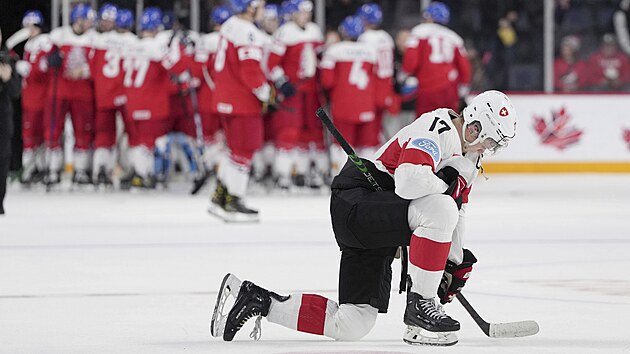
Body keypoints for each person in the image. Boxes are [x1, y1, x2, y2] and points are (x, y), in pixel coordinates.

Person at [211, 90, 517, 346]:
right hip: (358, 201)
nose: (489, 150)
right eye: (490, 141)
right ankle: (420, 306)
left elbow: (458, 210)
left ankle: (253, 298)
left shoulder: (470, 157)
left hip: (382, 215)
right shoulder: (438, 127)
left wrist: (451, 261)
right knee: (440, 208)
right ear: (474, 126)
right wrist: (444, 185)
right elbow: (411, 183)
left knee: (353, 323)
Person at [207, 0, 272, 222]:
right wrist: (266, 93)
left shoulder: (230, 25)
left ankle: (220, 198)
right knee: (244, 151)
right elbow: (250, 71)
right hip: (241, 100)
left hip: (225, 96)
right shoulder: (248, 31)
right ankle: (233, 200)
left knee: (234, 150)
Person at [119, 7, 190, 189]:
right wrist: (180, 49)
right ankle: (144, 175)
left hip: (132, 99)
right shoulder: (156, 46)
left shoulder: (133, 44)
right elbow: (176, 68)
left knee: (136, 140)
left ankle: (137, 172)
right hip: (150, 100)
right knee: (150, 141)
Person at [266, 0, 326, 190]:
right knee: (289, 130)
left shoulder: (314, 30)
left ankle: (307, 170)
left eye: (308, 12)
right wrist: (282, 81)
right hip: (294, 90)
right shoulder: (285, 32)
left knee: (313, 131)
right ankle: (284, 172)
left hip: (312, 90)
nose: (305, 16)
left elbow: (319, 58)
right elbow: (271, 63)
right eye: (301, 12)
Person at [44, 3, 97, 187]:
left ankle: (81, 170)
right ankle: (52, 169)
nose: (89, 23)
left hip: (82, 92)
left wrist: (85, 71)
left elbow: (98, 65)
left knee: (83, 131)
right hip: (60, 91)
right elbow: (45, 60)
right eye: (87, 19)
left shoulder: (94, 38)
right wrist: (52, 59)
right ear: (78, 19)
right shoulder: (60, 35)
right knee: (53, 130)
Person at [320, 16, 379, 175]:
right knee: (367, 144)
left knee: (342, 143)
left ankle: (340, 176)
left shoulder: (334, 50)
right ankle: (367, 178)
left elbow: (327, 81)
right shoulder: (371, 51)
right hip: (366, 102)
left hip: (343, 103)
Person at [400, 1, 471, 118]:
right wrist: (463, 89)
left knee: (424, 126)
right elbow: (464, 67)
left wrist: (403, 76)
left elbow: (411, 61)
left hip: (427, 87)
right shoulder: (454, 37)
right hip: (449, 88)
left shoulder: (419, 31)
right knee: (449, 126)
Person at [16, 10, 52, 186]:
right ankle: (30, 169)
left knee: (43, 134)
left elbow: (45, 67)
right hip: (29, 96)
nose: (28, 29)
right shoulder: (30, 44)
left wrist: (30, 67)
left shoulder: (44, 42)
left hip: (41, 96)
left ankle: (44, 168)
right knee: (30, 135)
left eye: (31, 25)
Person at [0, 29, 22, 214]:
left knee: (2, 158)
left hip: (3, 117)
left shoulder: (7, 59)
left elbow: (16, 92)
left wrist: (7, 79)